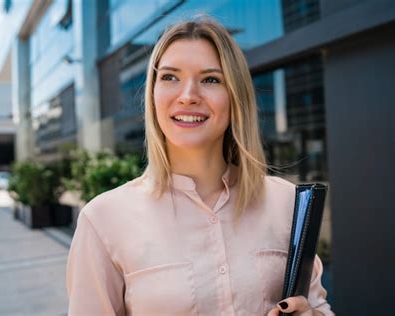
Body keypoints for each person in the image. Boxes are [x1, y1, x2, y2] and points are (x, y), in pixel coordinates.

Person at [66, 16, 334, 316]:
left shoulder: (287, 203)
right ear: (153, 94)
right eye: (170, 77)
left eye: (210, 79)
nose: (188, 96)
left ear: (235, 96)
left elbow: (318, 305)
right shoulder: (103, 220)